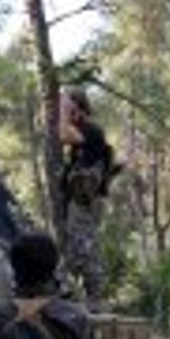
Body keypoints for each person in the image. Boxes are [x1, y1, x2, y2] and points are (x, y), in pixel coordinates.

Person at [60, 88, 118, 311]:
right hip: (80, 199)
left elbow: (63, 135)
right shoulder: (85, 129)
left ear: (77, 106)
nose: (62, 106)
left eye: (66, 102)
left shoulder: (90, 129)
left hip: (85, 200)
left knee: (85, 245)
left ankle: (95, 298)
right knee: (76, 246)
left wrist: (64, 111)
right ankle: (69, 291)